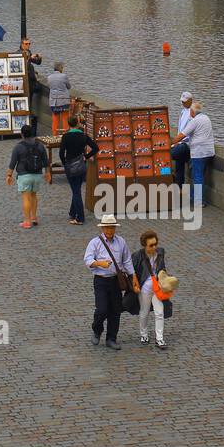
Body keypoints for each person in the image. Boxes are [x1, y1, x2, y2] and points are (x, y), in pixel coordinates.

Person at [84, 213, 138, 350]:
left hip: (116, 281)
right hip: (101, 281)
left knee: (115, 310)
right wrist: (99, 263)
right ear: (102, 228)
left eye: (112, 228)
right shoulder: (95, 243)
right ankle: (97, 330)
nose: (109, 230)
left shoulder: (121, 242)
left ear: (115, 228)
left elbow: (127, 260)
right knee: (101, 309)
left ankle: (111, 338)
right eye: (107, 228)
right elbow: (87, 260)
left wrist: (133, 276)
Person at [132, 229, 171, 350]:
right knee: (144, 312)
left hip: (158, 288)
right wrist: (135, 284)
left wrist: (164, 278)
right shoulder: (137, 256)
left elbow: (162, 268)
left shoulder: (160, 252)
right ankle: (144, 334)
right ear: (144, 245)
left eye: (155, 244)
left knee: (159, 312)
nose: (154, 247)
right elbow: (131, 271)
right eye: (151, 245)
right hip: (144, 289)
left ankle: (159, 338)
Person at [6, 123, 51, 229]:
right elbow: (46, 161)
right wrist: (47, 173)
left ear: (22, 135)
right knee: (34, 196)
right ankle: (34, 217)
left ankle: (27, 221)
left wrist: (9, 175)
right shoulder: (40, 145)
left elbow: (13, 163)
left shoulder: (18, 147)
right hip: (37, 175)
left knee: (26, 198)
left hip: (24, 175)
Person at [57, 113, 98, 225]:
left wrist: (64, 163)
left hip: (70, 165)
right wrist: (86, 157)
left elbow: (61, 153)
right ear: (78, 123)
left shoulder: (66, 136)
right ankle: (72, 211)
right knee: (76, 188)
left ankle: (80, 217)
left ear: (69, 124)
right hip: (81, 165)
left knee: (76, 191)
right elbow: (95, 148)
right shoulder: (83, 136)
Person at [173, 99, 214, 206]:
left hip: (199, 152)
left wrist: (170, 144)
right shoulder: (206, 118)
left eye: (190, 111)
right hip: (209, 152)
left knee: (198, 176)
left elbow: (182, 135)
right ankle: (193, 196)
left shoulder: (194, 121)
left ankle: (199, 201)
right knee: (200, 175)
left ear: (192, 112)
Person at [171, 91, 194, 187]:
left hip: (187, 145)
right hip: (181, 143)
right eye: (182, 101)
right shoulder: (183, 111)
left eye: (185, 101)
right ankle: (179, 187)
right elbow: (180, 129)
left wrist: (175, 142)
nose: (183, 103)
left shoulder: (192, 113)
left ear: (191, 101)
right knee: (179, 167)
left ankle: (167, 175)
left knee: (168, 156)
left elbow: (187, 133)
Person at [47, 62, 72, 135]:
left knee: (55, 118)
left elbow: (50, 86)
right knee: (65, 118)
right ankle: (66, 134)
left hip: (54, 102)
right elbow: (69, 86)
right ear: (60, 68)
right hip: (63, 101)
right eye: (62, 68)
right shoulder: (64, 76)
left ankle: (54, 135)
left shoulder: (49, 77)